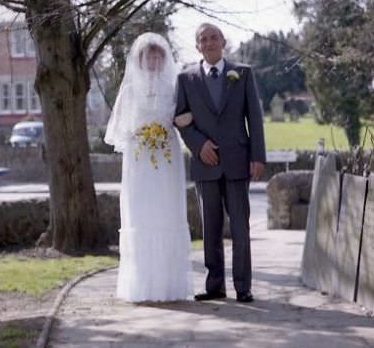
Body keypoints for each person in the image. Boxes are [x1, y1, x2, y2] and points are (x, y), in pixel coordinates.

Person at [175, 22, 265, 303]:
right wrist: (199, 146)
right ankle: (214, 285)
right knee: (210, 229)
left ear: (223, 41)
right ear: (197, 45)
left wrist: (258, 156)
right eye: (204, 39)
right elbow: (180, 119)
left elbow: (255, 118)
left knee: (240, 227)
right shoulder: (185, 79)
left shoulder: (243, 73)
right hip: (206, 165)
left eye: (214, 37)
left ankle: (243, 287)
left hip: (238, 161)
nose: (210, 42)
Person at [104, 32, 193, 302]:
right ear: (139, 59)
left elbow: (184, 116)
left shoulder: (175, 86)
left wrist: (176, 123)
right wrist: (141, 133)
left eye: (158, 55)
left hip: (167, 158)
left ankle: (169, 285)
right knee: (141, 215)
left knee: (167, 213)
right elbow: (119, 130)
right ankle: (141, 284)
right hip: (140, 159)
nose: (153, 60)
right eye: (148, 55)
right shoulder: (130, 90)